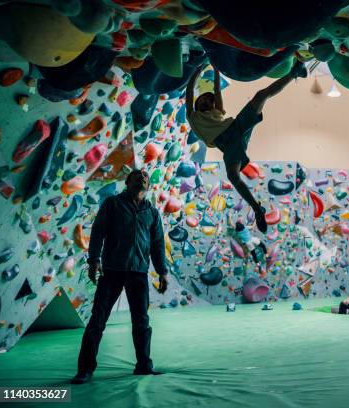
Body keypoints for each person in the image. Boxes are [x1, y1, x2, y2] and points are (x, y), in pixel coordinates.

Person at [71, 169, 169, 384]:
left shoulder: (151, 212)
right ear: (127, 181)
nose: (142, 178)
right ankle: (85, 369)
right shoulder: (112, 204)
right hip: (112, 271)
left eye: (145, 177)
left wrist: (162, 271)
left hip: (138, 273)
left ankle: (144, 365)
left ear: (148, 185)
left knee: (141, 321)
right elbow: (97, 232)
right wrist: (94, 260)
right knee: (98, 320)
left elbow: (157, 244)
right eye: (137, 176)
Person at [185, 62, 307, 233]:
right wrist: (198, 69)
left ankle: (295, 72)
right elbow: (190, 91)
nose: (207, 100)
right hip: (227, 145)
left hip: (236, 127)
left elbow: (217, 90)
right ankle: (257, 208)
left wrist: (215, 68)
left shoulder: (217, 111)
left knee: (261, 96)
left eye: (209, 99)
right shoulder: (192, 116)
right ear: (197, 103)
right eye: (204, 98)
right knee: (233, 176)